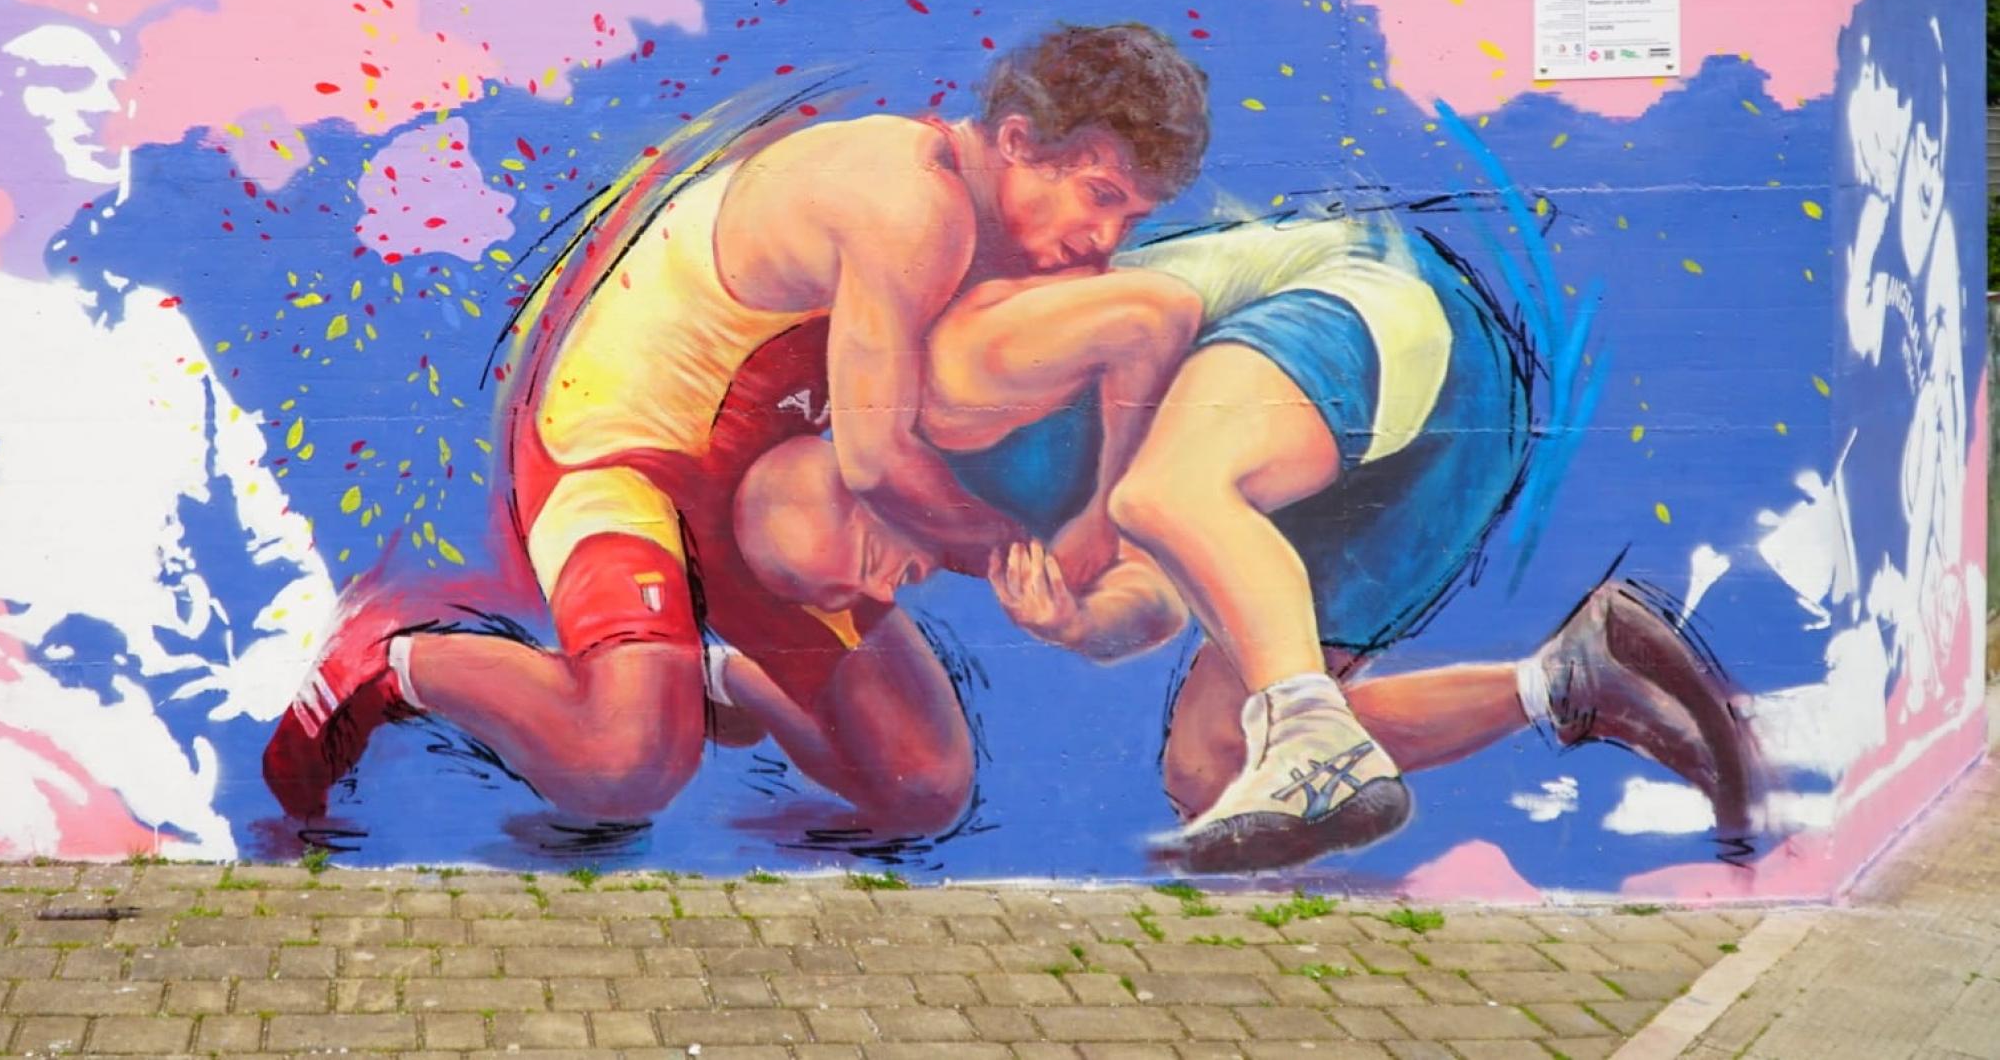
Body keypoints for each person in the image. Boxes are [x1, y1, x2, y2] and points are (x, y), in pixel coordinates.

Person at [263, 24, 1212, 824]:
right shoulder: (908, 199)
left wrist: (1101, 521)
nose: (1105, 239)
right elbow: (878, 463)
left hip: (763, 487)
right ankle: (394, 661)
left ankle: (718, 676)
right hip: (625, 454)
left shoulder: (1014, 237)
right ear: (1016, 140)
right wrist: (1022, 555)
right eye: (1100, 197)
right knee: (625, 765)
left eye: (1130, 215)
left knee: (922, 787)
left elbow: (1140, 327)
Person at [740, 209, 1755, 871]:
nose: (899, 583)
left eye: (871, 564)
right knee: (1212, 765)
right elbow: (1157, 596)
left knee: (1162, 490)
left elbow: (1155, 314)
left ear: (860, 481)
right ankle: (1571, 678)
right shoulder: (980, 537)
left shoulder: (950, 379)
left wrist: (1101, 509)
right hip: (1424, 448)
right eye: (870, 593)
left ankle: (1309, 731)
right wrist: (1075, 624)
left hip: (1366, 313)